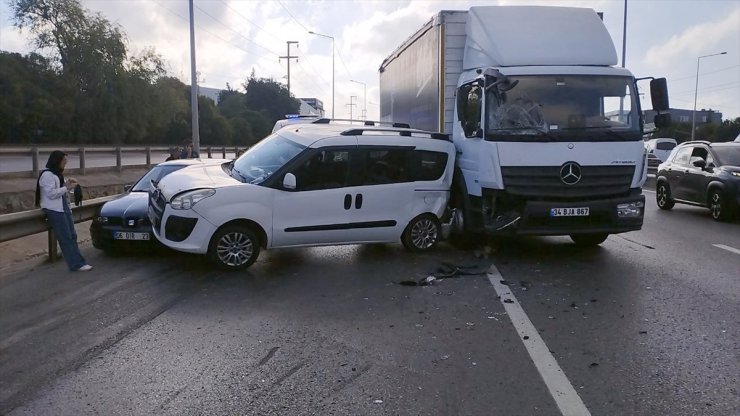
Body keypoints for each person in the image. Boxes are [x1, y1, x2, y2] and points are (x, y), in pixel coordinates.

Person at [35, 151, 93, 272]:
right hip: (54, 209)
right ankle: (76, 264)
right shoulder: (47, 175)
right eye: (63, 161)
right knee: (65, 237)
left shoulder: (57, 174)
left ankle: (79, 262)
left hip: (63, 207)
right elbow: (51, 194)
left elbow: (60, 189)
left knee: (72, 235)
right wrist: (66, 187)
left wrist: (69, 185)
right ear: (57, 161)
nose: (65, 164)